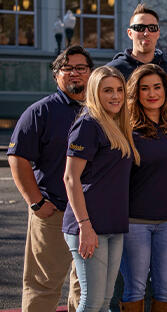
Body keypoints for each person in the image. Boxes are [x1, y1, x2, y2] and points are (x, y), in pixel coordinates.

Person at [7, 45, 92, 312]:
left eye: (81, 68)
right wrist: (36, 203)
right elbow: (17, 158)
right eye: (68, 68)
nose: (75, 74)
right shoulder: (40, 112)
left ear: (91, 73)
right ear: (56, 75)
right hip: (53, 211)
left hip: (92, 216)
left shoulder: (102, 109)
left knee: (86, 287)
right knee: (43, 286)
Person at [62, 65, 140, 312]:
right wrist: (85, 225)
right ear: (95, 92)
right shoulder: (87, 125)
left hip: (114, 225)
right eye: (108, 90)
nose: (116, 96)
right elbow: (70, 178)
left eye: (119, 90)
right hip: (89, 226)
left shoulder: (117, 125)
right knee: (92, 301)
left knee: (106, 301)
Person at [117, 64, 167, 311]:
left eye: (157, 87)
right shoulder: (126, 129)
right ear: (135, 93)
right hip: (135, 223)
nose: (152, 93)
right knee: (135, 287)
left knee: (166, 288)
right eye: (144, 88)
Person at [106, 4, 167, 85]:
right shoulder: (113, 71)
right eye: (139, 28)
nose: (146, 33)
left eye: (152, 28)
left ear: (158, 33)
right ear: (130, 33)